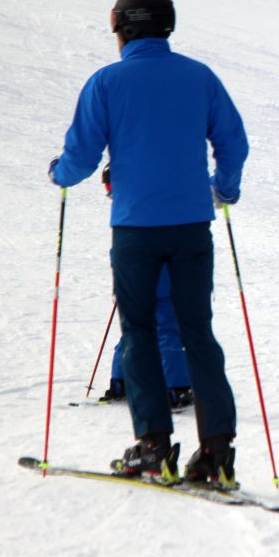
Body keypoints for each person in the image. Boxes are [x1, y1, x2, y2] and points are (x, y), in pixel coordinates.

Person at [48, 0, 249, 488]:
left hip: (136, 229)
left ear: (121, 26)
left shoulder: (107, 82)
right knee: (197, 331)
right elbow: (234, 142)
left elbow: (81, 158)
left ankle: (154, 449)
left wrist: (60, 174)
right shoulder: (200, 78)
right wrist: (223, 188)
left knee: (138, 332)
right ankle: (216, 454)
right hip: (190, 227)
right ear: (167, 25)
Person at [97, 165, 193, 410]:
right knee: (166, 326)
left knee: (134, 327)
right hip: (158, 274)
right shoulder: (152, 199)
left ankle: (122, 382)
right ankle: (177, 389)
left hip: (129, 271)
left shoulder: (123, 209)